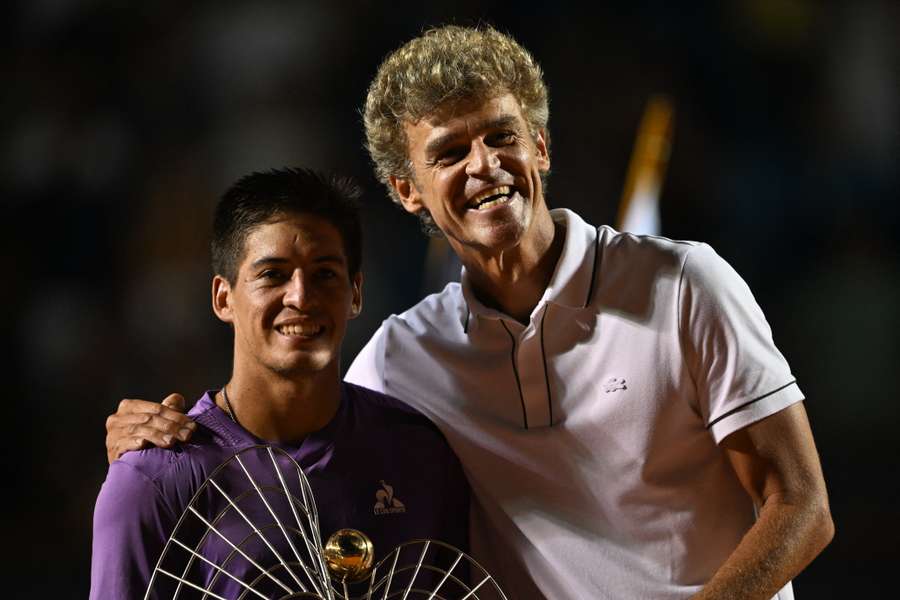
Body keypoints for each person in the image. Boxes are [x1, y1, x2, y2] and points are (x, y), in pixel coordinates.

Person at [105, 26, 833, 600]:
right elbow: (290, 420)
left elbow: (802, 508)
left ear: (540, 148)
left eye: (501, 136)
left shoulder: (685, 283)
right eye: (450, 152)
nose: (483, 165)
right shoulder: (399, 360)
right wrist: (153, 444)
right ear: (407, 190)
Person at [91, 168, 469, 599]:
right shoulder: (154, 481)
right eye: (273, 274)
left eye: (325, 274)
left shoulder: (419, 454)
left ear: (356, 293)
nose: (301, 297)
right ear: (223, 297)